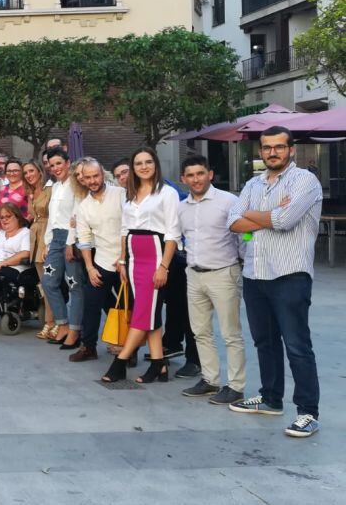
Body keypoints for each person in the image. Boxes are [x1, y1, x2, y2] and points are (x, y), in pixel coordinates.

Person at [227, 126, 323, 438]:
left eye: (279, 147)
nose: (272, 152)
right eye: (267, 147)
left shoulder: (305, 181)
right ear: (260, 151)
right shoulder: (253, 183)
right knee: (264, 342)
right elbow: (233, 221)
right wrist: (268, 214)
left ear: (291, 150)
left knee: (297, 345)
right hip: (255, 273)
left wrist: (255, 217)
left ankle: (308, 412)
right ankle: (270, 399)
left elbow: (286, 221)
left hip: (289, 275)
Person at [101, 146, 182, 384]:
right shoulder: (130, 193)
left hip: (156, 253)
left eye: (148, 162)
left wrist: (164, 266)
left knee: (143, 314)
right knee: (148, 312)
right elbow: (125, 230)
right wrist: (124, 260)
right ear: (133, 168)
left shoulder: (167, 193)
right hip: (134, 256)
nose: (144, 166)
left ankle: (120, 362)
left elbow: (172, 234)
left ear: (155, 164)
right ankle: (159, 365)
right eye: (139, 163)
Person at [176, 155, 245, 406]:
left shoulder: (229, 201)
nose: (196, 179)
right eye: (191, 175)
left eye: (200, 173)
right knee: (200, 332)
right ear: (183, 179)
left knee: (230, 334)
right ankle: (210, 379)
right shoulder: (181, 207)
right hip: (194, 275)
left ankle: (236, 386)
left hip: (224, 273)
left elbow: (245, 234)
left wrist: (245, 260)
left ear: (210, 174)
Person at [72, 159, 123, 363]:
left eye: (96, 176)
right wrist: (90, 268)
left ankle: (128, 350)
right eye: (88, 177)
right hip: (101, 260)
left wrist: (125, 258)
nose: (93, 181)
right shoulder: (84, 207)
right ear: (82, 179)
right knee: (91, 303)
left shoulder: (121, 195)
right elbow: (84, 240)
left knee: (127, 307)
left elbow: (128, 227)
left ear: (103, 174)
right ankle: (88, 346)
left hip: (125, 262)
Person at [41, 147, 86, 349]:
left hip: (71, 238)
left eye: (59, 163)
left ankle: (76, 330)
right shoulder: (55, 187)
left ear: (68, 163)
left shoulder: (75, 185)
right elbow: (52, 218)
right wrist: (47, 242)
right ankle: (63, 324)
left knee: (75, 285)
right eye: (52, 165)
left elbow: (77, 215)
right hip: (56, 238)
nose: (56, 168)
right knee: (48, 282)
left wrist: (71, 242)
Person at [24, 160, 55, 340]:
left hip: (46, 235)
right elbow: (32, 216)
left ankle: (52, 322)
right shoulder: (31, 192)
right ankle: (49, 321)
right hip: (35, 235)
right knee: (43, 284)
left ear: (39, 171)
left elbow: (52, 216)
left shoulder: (50, 189)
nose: (29, 175)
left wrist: (48, 243)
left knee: (49, 284)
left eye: (31, 171)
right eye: (26, 173)